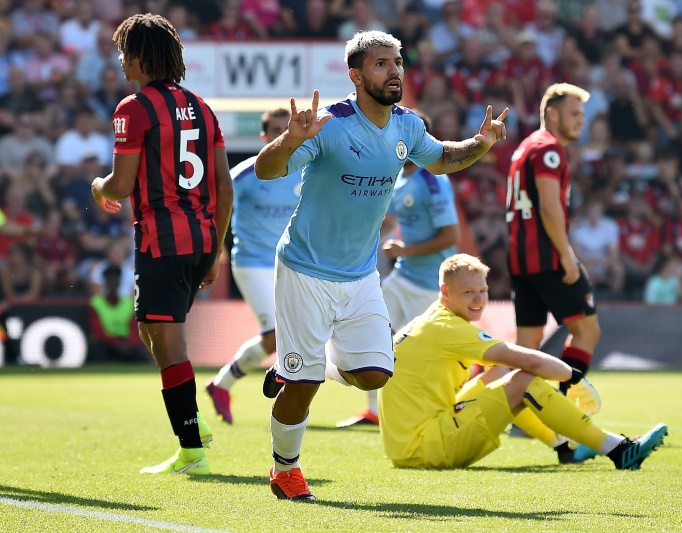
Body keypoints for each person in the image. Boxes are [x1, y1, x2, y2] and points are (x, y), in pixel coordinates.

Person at [254, 30, 508, 501]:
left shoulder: (407, 125)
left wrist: (481, 142)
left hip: (360, 273)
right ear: (356, 75)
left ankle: (293, 368)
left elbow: (443, 158)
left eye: (397, 63)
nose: (394, 71)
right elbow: (266, 171)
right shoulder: (328, 123)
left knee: (375, 374)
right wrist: (289, 141)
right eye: (381, 64)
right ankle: (284, 469)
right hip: (304, 269)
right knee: (306, 383)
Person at [90, 14, 233, 475]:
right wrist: (214, 252)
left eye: (123, 51)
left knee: (167, 343)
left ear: (140, 57)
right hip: (201, 238)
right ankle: (194, 424)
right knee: (153, 329)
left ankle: (192, 450)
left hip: (162, 240)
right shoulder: (202, 107)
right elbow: (225, 187)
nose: (119, 60)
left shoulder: (132, 109)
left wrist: (98, 186)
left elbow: (121, 184)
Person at [378, 253, 668, 469]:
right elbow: (530, 361)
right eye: (469, 292)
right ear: (445, 293)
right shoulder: (447, 328)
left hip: (410, 445)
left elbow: (503, 368)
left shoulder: (433, 319)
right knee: (524, 379)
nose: (478, 299)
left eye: (483, 291)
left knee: (503, 377)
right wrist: (574, 377)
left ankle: (565, 446)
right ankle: (618, 450)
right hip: (426, 446)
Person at [337, 110, 460, 428]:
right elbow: (390, 220)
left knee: (434, 353)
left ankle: (459, 400)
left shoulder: (434, 180)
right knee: (370, 330)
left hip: (431, 285)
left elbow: (451, 236)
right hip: (403, 276)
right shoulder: (399, 176)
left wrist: (406, 248)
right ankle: (375, 412)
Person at [505, 83, 602, 411]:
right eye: (575, 114)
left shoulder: (524, 147)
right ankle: (560, 410)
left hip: (521, 261)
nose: (581, 121)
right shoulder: (549, 148)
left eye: (583, 115)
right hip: (547, 259)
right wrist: (567, 256)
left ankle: (513, 414)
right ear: (552, 113)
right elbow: (549, 207)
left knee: (527, 347)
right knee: (587, 330)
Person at [205, 108, 302, 424]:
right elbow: (216, 207)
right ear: (263, 137)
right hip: (252, 263)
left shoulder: (304, 171)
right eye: (274, 130)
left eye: (284, 129)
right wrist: (213, 253)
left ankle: (221, 385)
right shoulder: (246, 174)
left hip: (290, 264)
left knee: (283, 337)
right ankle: (279, 384)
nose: (279, 135)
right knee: (275, 336)